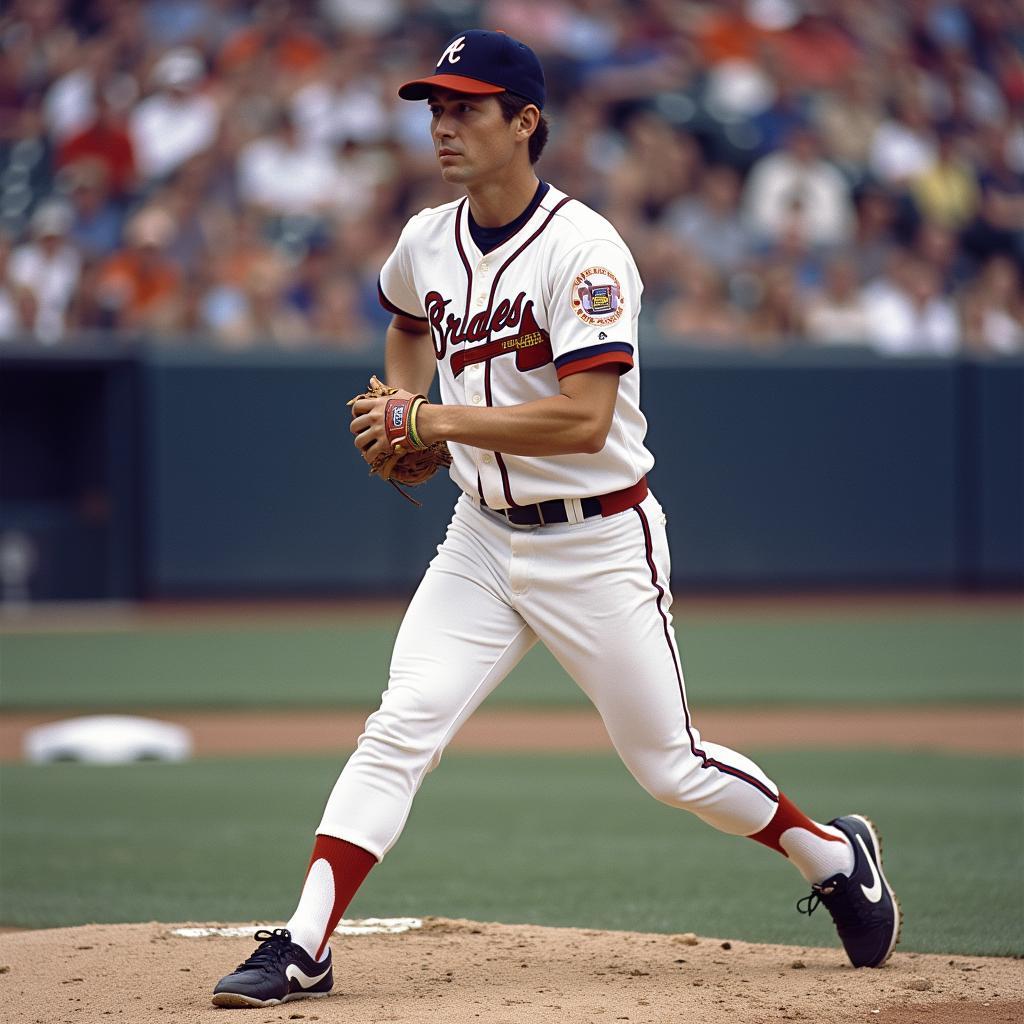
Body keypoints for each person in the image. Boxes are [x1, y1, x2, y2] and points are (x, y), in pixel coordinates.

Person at [212, 30, 900, 1010]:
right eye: (435, 108)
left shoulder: (584, 251)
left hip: (598, 538)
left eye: (467, 107)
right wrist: (401, 410)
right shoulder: (425, 239)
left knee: (669, 766)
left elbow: (583, 420)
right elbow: (405, 322)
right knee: (399, 725)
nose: (444, 125)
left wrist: (432, 417)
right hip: (481, 538)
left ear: (525, 121)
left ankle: (831, 852)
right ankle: (306, 943)